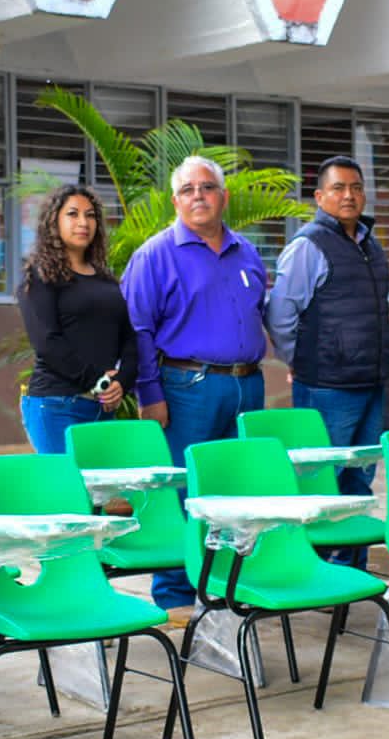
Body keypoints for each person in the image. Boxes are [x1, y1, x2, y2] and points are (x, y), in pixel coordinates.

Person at [123, 156, 268, 607]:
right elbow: (136, 330)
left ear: (223, 197)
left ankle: (224, 583)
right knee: (186, 490)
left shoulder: (246, 251)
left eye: (207, 187)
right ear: (175, 200)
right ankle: (176, 595)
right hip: (188, 387)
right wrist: (150, 394)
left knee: (233, 487)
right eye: (188, 190)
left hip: (247, 385)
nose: (198, 196)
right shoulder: (155, 254)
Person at [266, 156, 389, 566]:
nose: (349, 195)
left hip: (372, 382)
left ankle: (351, 565)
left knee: (359, 478)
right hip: (327, 386)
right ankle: (314, 567)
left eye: (356, 187)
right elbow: (281, 314)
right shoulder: (308, 246)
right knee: (324, 478)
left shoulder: (370, 245)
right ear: (320, 197)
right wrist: (299, 360)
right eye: (338, 188)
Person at [16, 184, 135, 454]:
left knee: (97, 495)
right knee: (66, 492)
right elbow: (47, 342)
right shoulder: (39, 276)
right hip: (56, 406)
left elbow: (130, 337)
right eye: (73, 214)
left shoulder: (106, 281)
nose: (83, 222)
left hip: (100, 405)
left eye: (90, 215)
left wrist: (122, 381)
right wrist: (100, 381)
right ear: (54, 221)